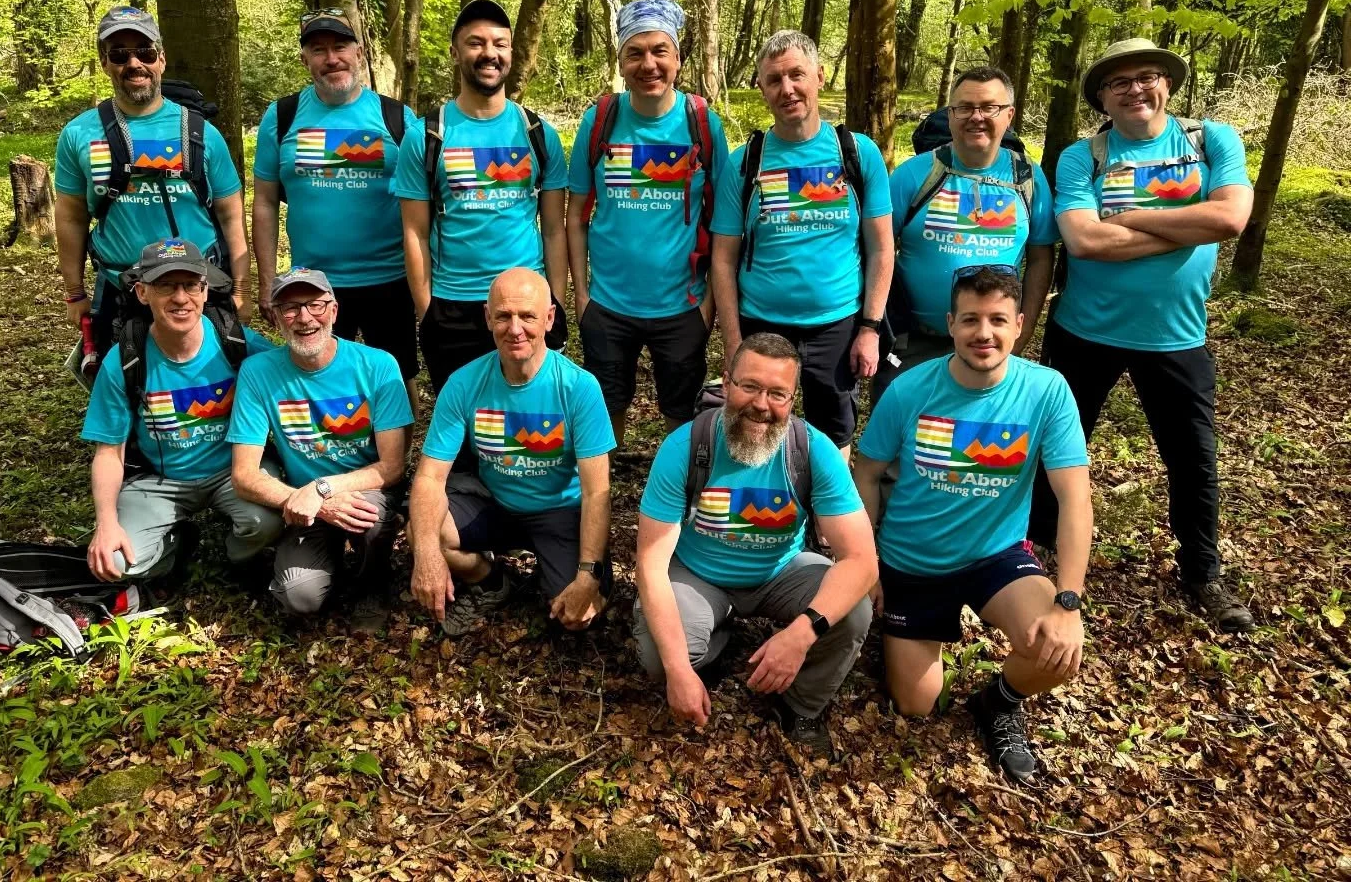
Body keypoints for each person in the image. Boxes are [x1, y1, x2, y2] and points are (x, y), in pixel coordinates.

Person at [1028, 38, 1255, 633]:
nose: (1136, 89)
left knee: (1193, 459)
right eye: (1119, 82)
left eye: (1147, 76)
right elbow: (1083, 240)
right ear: (1102, 98)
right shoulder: (1083, 157)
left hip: (1176, 336)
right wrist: (1187, 227)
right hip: (1084, 331)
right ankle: (1034, 551)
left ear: (1168, 84)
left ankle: (1202, 572)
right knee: (1054, 448)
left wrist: (1129, 219)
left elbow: (1231, 218)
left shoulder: (1211, 141)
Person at [853, 266, 1091, 782]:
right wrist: (866, 565)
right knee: (916, 705)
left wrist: (1068, 601)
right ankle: (900, 637)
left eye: (998, 320)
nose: (984, 333)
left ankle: (998, 702)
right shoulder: (910, 389)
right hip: (912, 561)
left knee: (1057, 651)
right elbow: (866, 473)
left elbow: (1075, 499)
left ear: (1019, 324)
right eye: (971, 319)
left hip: (996, 558)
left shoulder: (1046, 390)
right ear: (951, 324)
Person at [634, 332, 877, 756]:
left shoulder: (811, 450)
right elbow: (651, 565)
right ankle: (717, 638)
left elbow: (861, 560)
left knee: (853, 610)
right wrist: (678, 670)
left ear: (792, 398)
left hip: (781, 572)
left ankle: (801, 706)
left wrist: (802, 633)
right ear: (727, 382)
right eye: (749, 386)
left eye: (777, 393)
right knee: (660, 656)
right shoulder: (687, 446)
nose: (762, 405)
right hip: (698, 575)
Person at [710, 30, 894, 458]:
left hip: (837, 323)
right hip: (762, 322)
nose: (787, 88)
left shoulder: (856, 153)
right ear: (761, 88)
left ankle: (824, 504)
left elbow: (882, 248)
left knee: (833, 439)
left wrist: (869, 329)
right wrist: (734, 342)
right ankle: (761, 500)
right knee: (756, 426)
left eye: (797, 75)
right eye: (774, 80)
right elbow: (722, 260)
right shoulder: (746, 162)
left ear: (820, 77)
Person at [408, 268, 615, 637]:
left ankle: (563, 571)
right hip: (495, 503)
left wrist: (588, 575)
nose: (515, 329)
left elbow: (596, 491)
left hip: (560, 511)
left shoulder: (579, 387)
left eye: (527, 316)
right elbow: (429, 477)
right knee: (423, 532)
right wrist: (426, 556)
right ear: (488, 318)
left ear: (549, 319)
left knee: (576, 618)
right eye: (503, 316)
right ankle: (491, 580)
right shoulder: (464, 383)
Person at [567, 0, 730, 445]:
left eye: (660, 51)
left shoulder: (702, 123)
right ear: (621, 62)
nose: (649, 64)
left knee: (680, 415)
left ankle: (673, 482)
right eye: (635, 53)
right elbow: (576, 215)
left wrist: (709, 305)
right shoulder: (600, 120)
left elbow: (724, 221)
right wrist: (582, 295)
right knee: (605, 413)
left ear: (678, 58)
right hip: (608, 305)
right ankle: (604, 480)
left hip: (683, 305)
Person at [252, 9, 423, 414]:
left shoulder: (396, 117)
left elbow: (423, 204)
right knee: (320, 385)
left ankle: (397, 453)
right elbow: (264, 202)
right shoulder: (282, 117)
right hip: (312, 285)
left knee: (399, 382)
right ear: (305, 59)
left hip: (390, 278)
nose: (332, 58)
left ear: (359, 53)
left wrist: (424, 282)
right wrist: (266, 280)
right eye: (319, 49)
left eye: (340, 47)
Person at [55, 6, 251, 360]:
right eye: (119, 54)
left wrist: (241, 289)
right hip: (119, 290)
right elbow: (71, 216)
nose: (134, 63)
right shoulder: (79, 133)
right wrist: (74, 291)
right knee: (123, 382)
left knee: (209, 384)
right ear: (105, 62)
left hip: (197, 290)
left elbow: (231, 214)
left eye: (144, 52)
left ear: (161, 59)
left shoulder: (201, 132)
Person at [81, 239, 281, 583]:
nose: (180, 298)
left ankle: (236, 557)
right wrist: (106, 524)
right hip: (161, 479)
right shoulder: (125, 358)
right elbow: (109, 452)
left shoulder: (236, 342)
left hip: (234, 471)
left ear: (205, 291)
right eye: (166, 286)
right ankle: (177, 544)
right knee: (114, 563)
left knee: (267, 522)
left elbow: (292, 380)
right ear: (143, 293)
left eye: (190, 285)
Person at [396, 0, 570, 393]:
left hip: (525, 303)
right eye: (475, 43)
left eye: (499, 43)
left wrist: (553, 302)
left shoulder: (538, 134)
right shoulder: (426, 136)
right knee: (461, 417)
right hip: (453, 305)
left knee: (529, 414)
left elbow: (554, 230)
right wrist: (427, 310)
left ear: (511, 53)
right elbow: (414, 232)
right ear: (455, 52)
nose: (489, 53)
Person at [227, 267, 413, 630]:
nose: (305, 317)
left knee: (371, 517)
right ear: (276, 316)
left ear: (334, 310)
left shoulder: (377, 365)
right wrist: (310, 500)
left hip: (365, 487)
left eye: (315, 304)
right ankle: (328, 565)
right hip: (302, 501)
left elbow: (392, 466)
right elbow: (244, 475)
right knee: (299, 596)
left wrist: (322, 489)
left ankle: (372, 584)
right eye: (291, 308)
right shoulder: (258, 372)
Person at [874, 66, 1056, 400]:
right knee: (902, 427)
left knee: (978, 431)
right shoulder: (914, 175)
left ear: (1009, 115)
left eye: (989, 107)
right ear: (950, 114)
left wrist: (1024, 329)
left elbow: (1041, 257)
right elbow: (875, 249)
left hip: (992, 343)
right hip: (913, 342)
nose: (976, 117)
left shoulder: (1028, 178)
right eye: (964, 107)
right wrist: (872, 326)